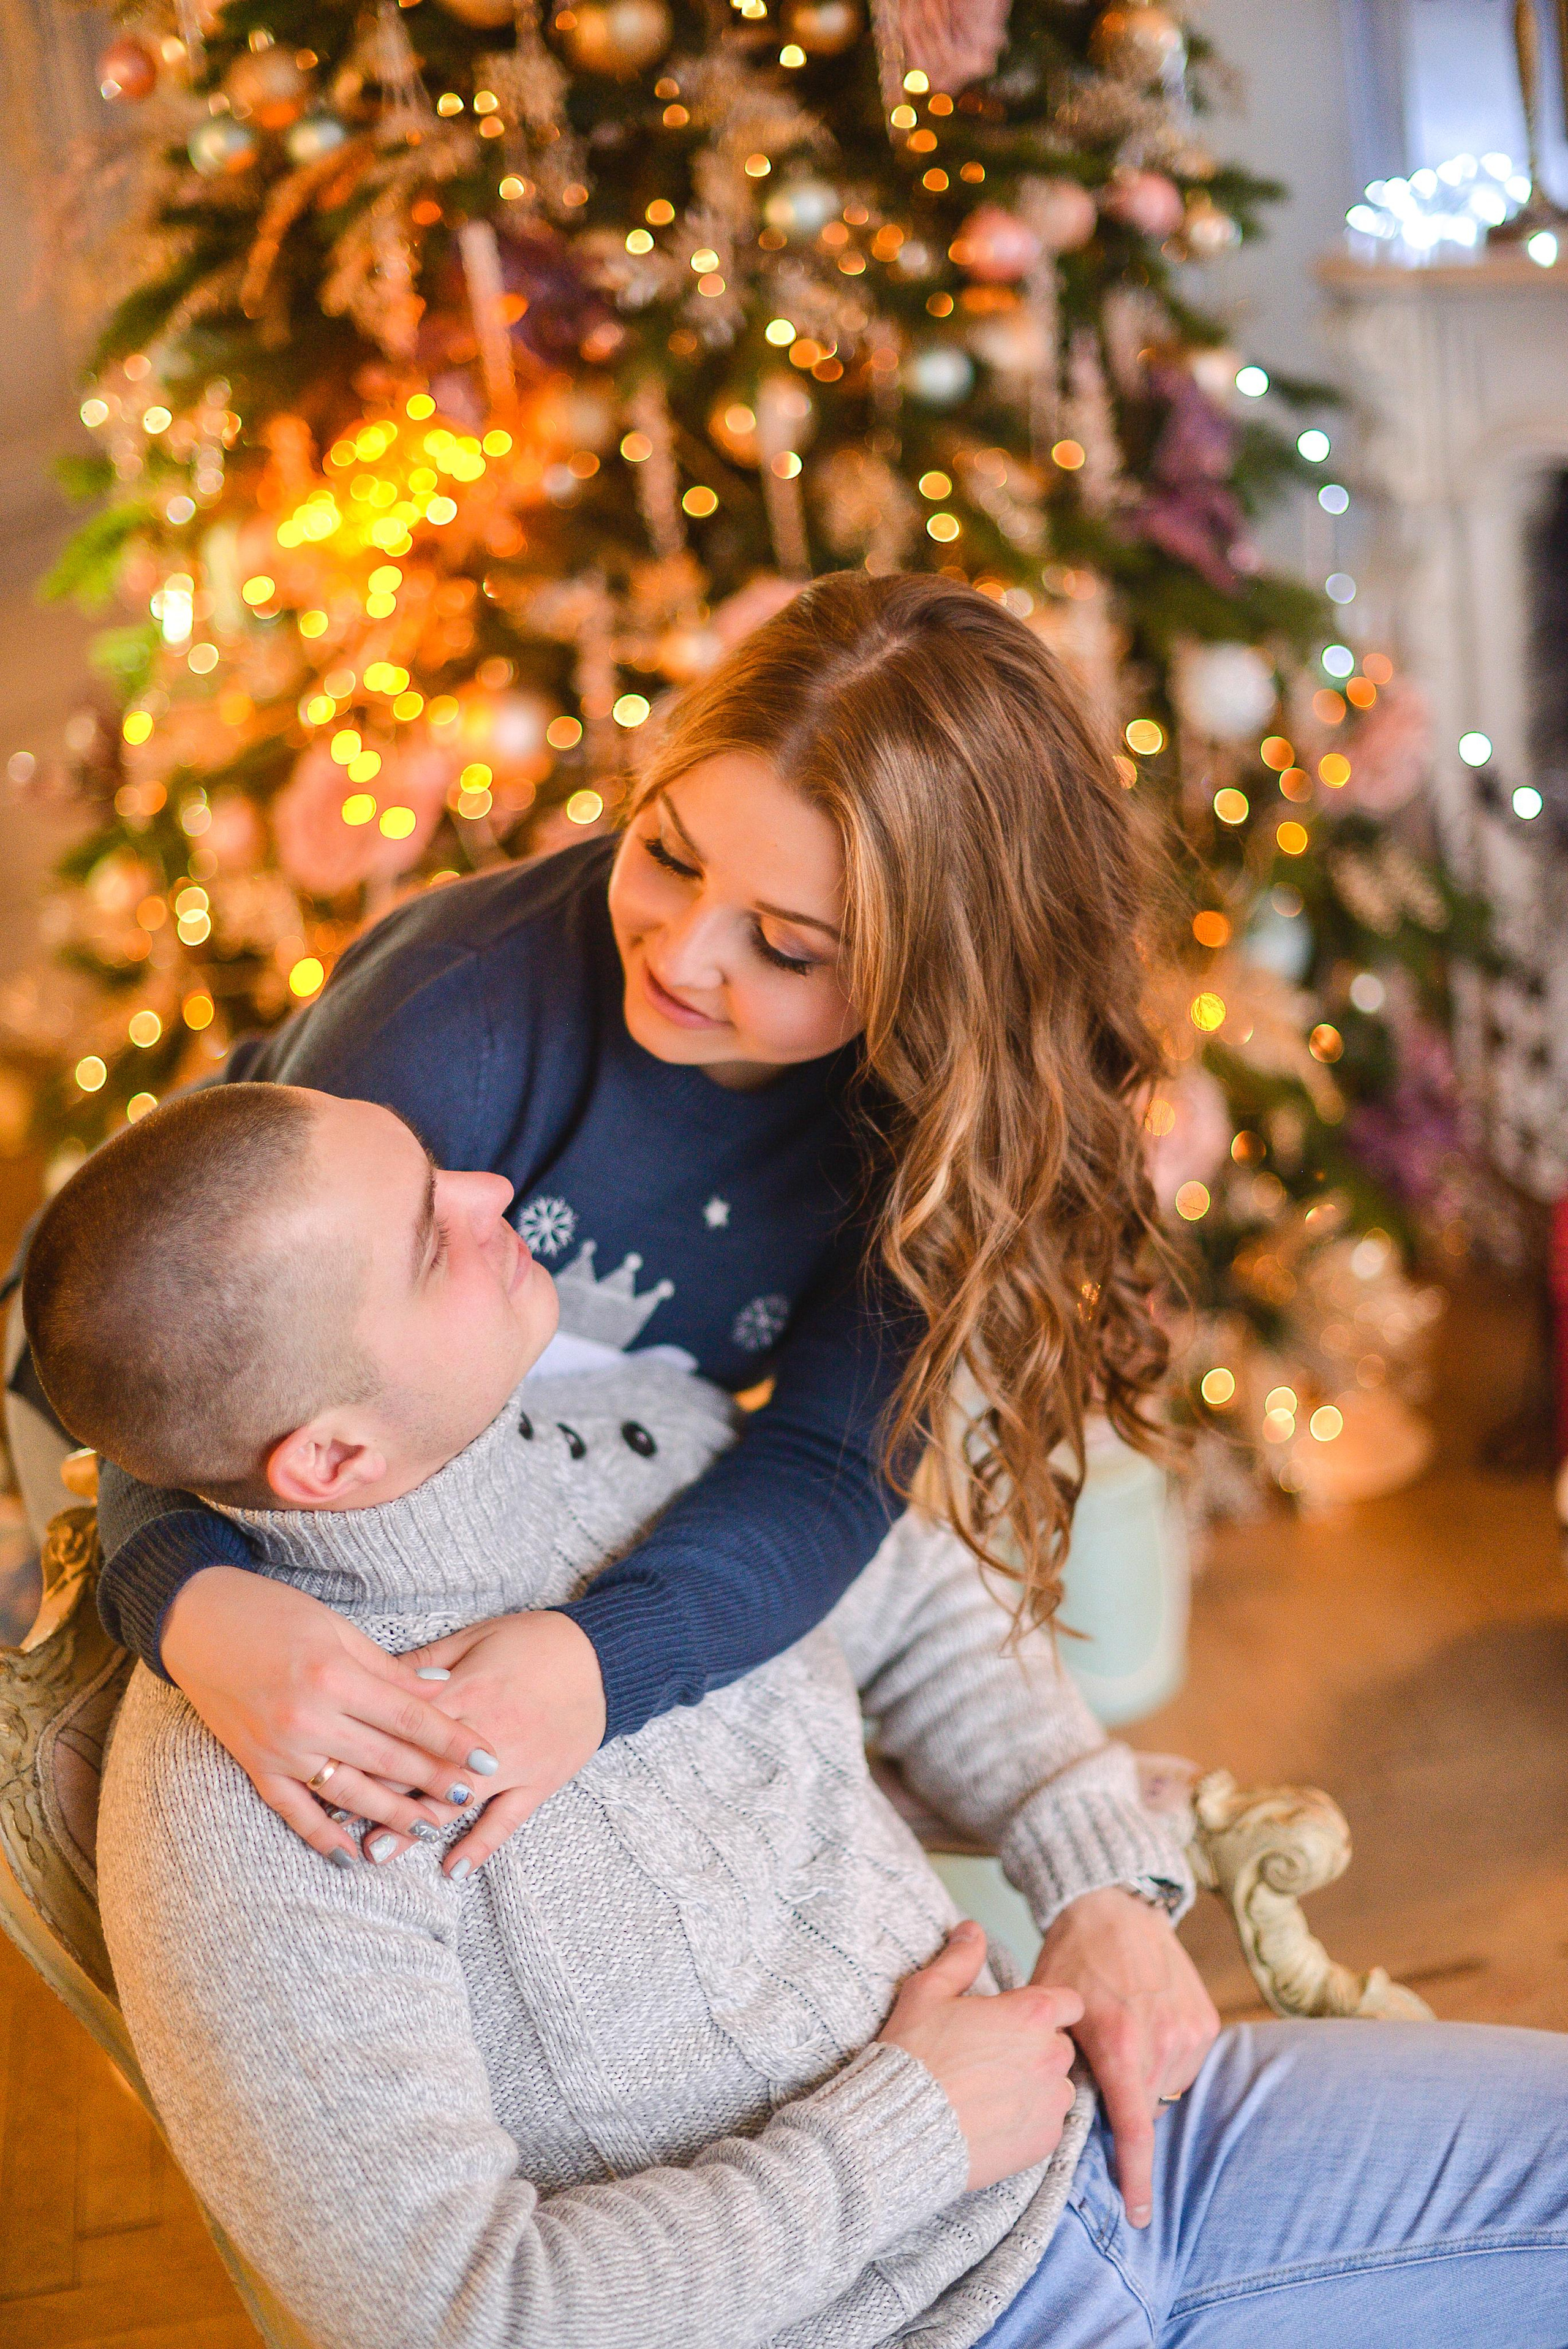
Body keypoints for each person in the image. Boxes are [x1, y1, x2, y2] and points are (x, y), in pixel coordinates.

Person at [13, 573, 1212, 2216]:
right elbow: (211, 1373)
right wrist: (192, 1594)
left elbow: (830, 1470)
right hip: (246, 1484)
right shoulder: (460, 1013)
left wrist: (600, 1661)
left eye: (787, 946)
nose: (683, 948)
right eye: (667, 850)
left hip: (552, 1511)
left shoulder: (935, 1123)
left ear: (940, 982)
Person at [28, 1084, 1568, 2349]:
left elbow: (917, 1615)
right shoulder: (250, 1810)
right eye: (433, 1237)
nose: (498, 1192)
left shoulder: (619, 1425)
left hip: (1115, 2140)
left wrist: (1093, 1872)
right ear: (329, 1461)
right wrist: (902, 2134)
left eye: (445, 1171)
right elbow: (460, 2315)